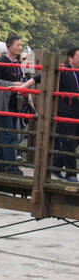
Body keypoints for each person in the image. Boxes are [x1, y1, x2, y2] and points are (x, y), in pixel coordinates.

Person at [0, 35, 32, 174]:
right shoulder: (2, 62)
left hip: (15, 103)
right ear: (9, 45)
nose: (20, 47)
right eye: (18, 45)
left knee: (11, 135)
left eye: (21, 45)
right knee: (9, 135)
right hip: (4, 104)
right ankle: (11, 166)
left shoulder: (17, 63)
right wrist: (13, 85)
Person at [53, 46, 79, 182]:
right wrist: (24, 86)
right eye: (78, 57)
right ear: (70, 58)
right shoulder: (64, 70)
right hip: (65, 112)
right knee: (69, 141)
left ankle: (56, 165)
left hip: (77, 112)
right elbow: (42, 77)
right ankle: (71, 173)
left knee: (74, 141)